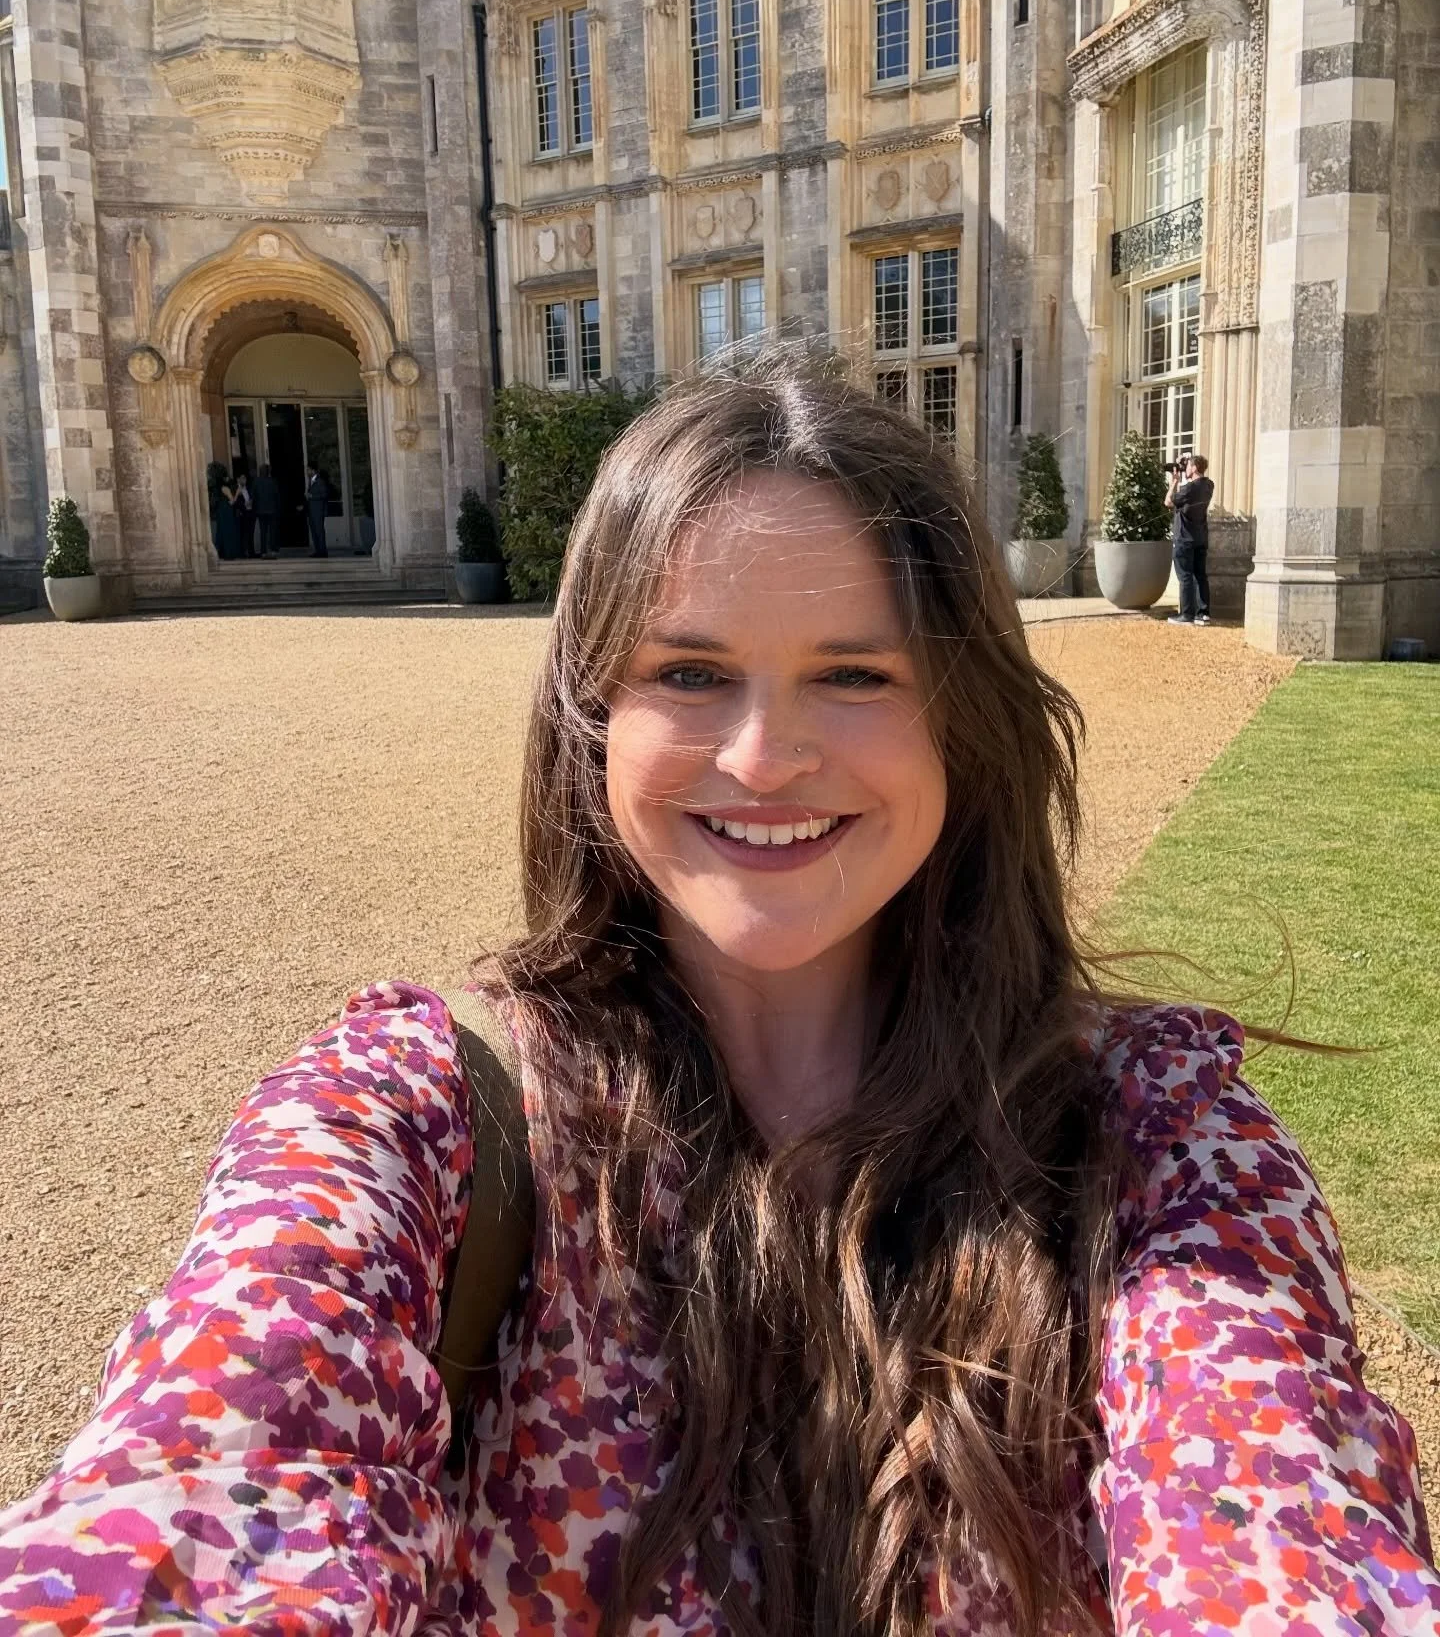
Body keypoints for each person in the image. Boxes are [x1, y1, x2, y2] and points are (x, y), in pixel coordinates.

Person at [1, 364, 1435, 1636]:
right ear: (592, 718)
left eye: (854, 674)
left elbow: (1272, 1510)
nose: (763, 757)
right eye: (688, 672)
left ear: (964, 719)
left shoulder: (1161, 1142)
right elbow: (210, 1482)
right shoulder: (415, 1120)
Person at [1165, 451, 1214, 625]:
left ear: (1193, 468)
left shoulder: (1189, 489)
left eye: (1188, 466)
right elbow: (1194, 486)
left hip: (1185, 538)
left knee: (1185, 576)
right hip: (1201, 537)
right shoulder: (1209, 485)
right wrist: (1186, 462)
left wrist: (1174, 481)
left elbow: (1168, 502)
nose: (1185, 469)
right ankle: (1203, 614)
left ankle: (1186, 615)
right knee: (1200, 575)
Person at [252, 461, 283, 557]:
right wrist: (278, 508)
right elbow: (277, 496)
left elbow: (253, 496)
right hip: (272, 510)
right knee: (272, 531)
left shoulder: (256, 482)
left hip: (261, 511)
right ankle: (273, 550)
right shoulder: (273, 481)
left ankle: (263, 552)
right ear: (268, 472)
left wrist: (255, 508)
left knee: (263, 531)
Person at [302, 463, 330, 557]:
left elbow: (324, 495)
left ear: (313, 470)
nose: (307, 472)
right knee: (314, 532)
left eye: (308, 470)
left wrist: (312, 496)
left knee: (319, 531)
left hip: (318, 511)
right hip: (311, 511)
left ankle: (323, 551)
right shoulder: (311, 481)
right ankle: (318, 551)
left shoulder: (320, 481)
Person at [212, 471, 239, 561]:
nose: (228, 478)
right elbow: (232, 501)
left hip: (221, 511)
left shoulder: (218, 489)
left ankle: (220, 553)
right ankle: (229, 554)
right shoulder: (225, 488)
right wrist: (237, 493)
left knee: (221, 532)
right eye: (227, 477)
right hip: (227, 511)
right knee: (228, 532)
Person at [232, 470, 256, 558]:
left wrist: (251, 502)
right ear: (238, 479)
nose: (244, 480)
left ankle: (251, 552)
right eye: (242, 478)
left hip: (250, 514)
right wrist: (244, 505)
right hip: (242, 515)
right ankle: (242, 553)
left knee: (251, 534)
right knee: (243, 535)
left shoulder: (248, 488)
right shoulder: (235, 489)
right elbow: (234, 502)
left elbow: (252, 498)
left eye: (245, 478)